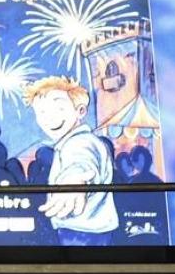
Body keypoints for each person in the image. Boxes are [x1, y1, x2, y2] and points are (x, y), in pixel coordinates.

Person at [26, 76, 118, 246]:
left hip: (82, 233)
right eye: (42, 112)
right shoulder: (69, 143)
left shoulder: (80, 142)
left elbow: (81, 163)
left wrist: (74, 182)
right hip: (88, 231)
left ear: (80, 111)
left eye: (59, 108)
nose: (49, 118)